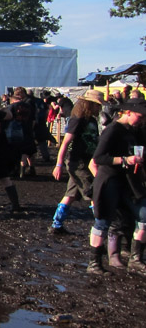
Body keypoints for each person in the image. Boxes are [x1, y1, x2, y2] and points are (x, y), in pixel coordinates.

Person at [86, 100, 146, 274]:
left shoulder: (135, 131)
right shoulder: (112, 130)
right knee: (103, 221)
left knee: (143, 215)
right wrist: (125, 160)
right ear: (126, 112)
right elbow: (99, 158)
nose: (140, 120)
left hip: (130, 182)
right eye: (139, 116)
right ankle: (94, 263)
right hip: (110, 180)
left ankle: (136, 259)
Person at [50, 90, 105, 234]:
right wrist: (59, 164)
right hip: (78, 162)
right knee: (94, 193)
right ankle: (102, 228)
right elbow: (65, 142)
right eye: (97, 105)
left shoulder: (91, 120)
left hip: (88, 161)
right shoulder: (77, 119)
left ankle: (56, 225)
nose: (99, 108)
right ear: (90, 104)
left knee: (71, 195)